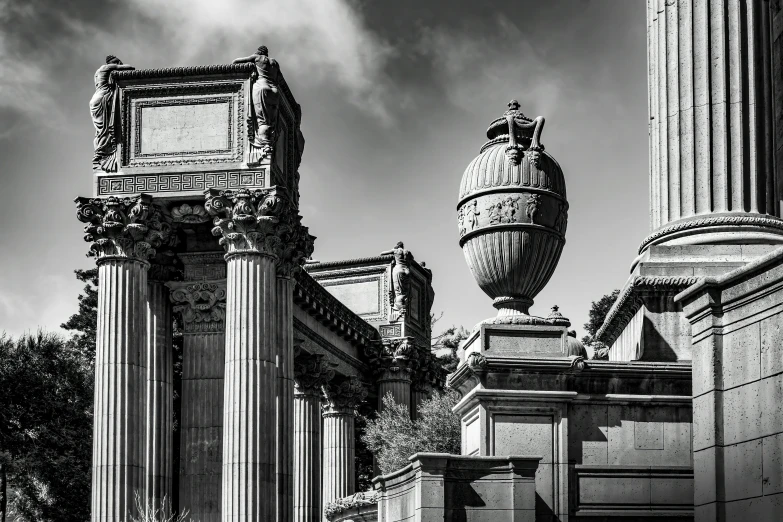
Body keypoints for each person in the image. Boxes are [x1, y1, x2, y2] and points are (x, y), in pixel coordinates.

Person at [233, 46, 281, 161]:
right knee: (271, 121)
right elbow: (280, 78)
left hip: (262, 87)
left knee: (262, 120)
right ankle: (269, 143)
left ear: (259, 52)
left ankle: (266, 146)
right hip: (274, 91)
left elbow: (236, 61)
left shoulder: (257, 57)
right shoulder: (274, 63)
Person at [90, 55, 134, 171]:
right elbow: (130, 68)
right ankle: (101, 156)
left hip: (96, 100)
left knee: (101, 132)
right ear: (116, 62)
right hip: (103, 99)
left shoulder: (97, 73)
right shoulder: (106, 68)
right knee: (105, 132)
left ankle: (99, 156)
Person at [380, 242, 413, 315]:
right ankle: (404, 307)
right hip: (407, 270)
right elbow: (412, 259)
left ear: (398, 246)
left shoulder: (396, 251)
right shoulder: (407, 252)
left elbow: (382, 253)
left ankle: (399, 309)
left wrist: (393, 249)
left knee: (399, 291)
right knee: (405, 292)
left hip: (399, 269)